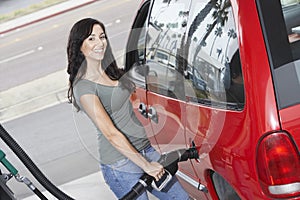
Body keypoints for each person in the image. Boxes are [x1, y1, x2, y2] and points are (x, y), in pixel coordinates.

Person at [66, 17, 189, 200]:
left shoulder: (111, 72)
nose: (99, 43)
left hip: (146, 150)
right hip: (120, 163)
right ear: (79, 46)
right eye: (91, 38)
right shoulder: (83, 88)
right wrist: (146, 166)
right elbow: (110, 133)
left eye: (102, 36)